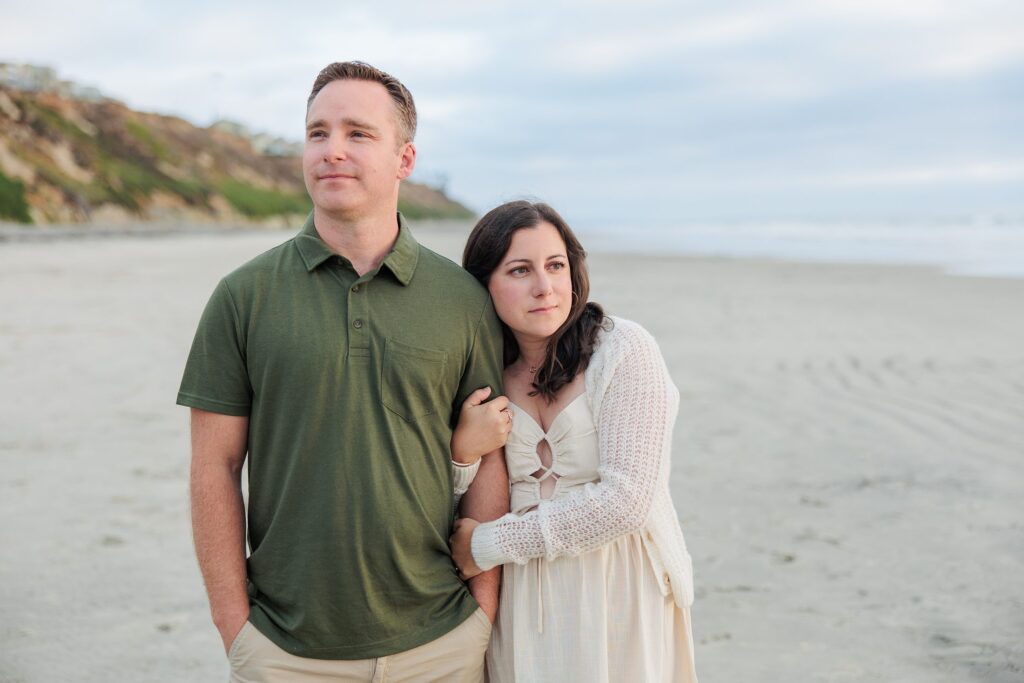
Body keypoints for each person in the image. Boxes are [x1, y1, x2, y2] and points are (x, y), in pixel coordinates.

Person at [177, 61, 509, 682]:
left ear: (405, 159)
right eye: (317, 132)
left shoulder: (463, 299)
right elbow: (213, 466)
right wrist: (234, 625)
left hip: (440, 640)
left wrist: (482, 614)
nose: (332, 151)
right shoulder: (241, 297)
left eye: (358, 133)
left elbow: (492, 454)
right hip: (283, 648)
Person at [448, 200, 699, 682]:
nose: (545, 287)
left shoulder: (622, 349)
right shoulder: (481, 370)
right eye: (520, 270)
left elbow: (627, 500)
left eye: (555, 265)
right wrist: (462, 454)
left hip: (621, 588)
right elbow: (455, 498)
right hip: (520, 595)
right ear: (483, 286)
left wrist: (490, 543)